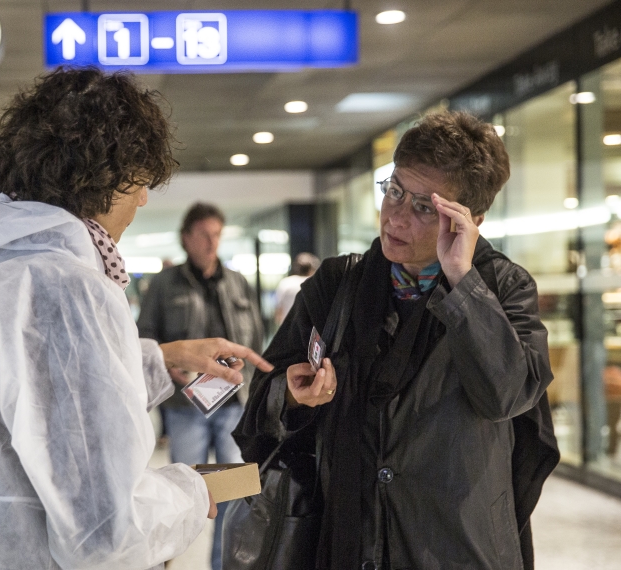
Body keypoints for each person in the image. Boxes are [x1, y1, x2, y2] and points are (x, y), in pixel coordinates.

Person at [0, 67, 271, 570]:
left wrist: (155, 359)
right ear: (103, 178)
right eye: (140, 181)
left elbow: (10, 396)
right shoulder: (65, 288)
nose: (144, 198)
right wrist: (188, 490)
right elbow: (104, 535)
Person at [234, 111, 559, 570]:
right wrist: (292, 393)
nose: (397, 216)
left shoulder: (503, 289)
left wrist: (462, 282)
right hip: (348, 540)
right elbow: (260, 407)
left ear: (472, 219)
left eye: (426, 207)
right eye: (395, 191)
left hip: (457, 547)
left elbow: (507, 396)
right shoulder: (336, 285)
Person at [137, 202, 263, 570]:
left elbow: (254, 335)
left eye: (217, 234)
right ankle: (168, 562)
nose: (212, 242)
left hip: (234, 404)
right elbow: (146, 337)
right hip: (185, 406)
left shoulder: (237, 281)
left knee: (235, 492)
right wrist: (170, 364)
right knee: (184, 493)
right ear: (186, 238)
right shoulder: (163, 284)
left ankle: (225, 564)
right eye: (204, 234)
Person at [273, 252, 320, 326]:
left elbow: (279, 311)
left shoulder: (286, 283)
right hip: (310, 331)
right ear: (311, 269)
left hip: (288, 329)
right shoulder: (315, 283)